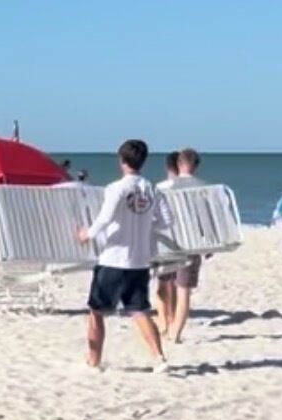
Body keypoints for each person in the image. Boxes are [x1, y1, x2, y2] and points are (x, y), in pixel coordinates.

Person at [77, 138, 172, 373]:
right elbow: (167, 220)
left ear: (121, 161)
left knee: (97, 312)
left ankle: (94, 362)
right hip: (139, 260)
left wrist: (87, 234)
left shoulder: (116, 188)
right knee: (139, 310)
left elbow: (105, 218)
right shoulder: (152, 189)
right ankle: (159, 357)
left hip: (113, 258)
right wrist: (146, 228)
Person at [155, 147, 204, 343]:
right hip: (190, 246)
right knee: (184, 292)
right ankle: (175, 334)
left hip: (166, 244)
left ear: (178, 164)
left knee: (161, 285)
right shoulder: (205, 188)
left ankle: (165, 325)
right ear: (196, 166)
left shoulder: (161, 187)